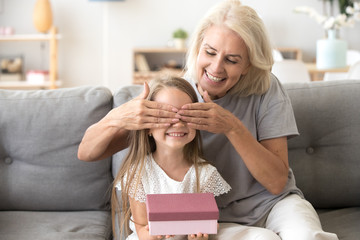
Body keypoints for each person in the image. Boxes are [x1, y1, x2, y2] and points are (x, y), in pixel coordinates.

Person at [78, 0, 339, 239]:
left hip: (272, 205)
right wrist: (116, 118)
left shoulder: (267, 89)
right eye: (210, 52)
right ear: (198, 47)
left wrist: (232, 127)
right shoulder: (178, 93)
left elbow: (276, 182)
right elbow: (87, 152)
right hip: (208, 215)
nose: (215, 68)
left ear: (248, 64)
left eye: (232, 60)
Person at [111, 76, 231, 240]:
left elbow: (206, 223)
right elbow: (141, 227)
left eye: (186, 115)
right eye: (166, 115)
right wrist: (151, 236)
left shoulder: (204, 173)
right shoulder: (138, 173)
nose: (178, 123)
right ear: (148, 127)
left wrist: (202, 236)